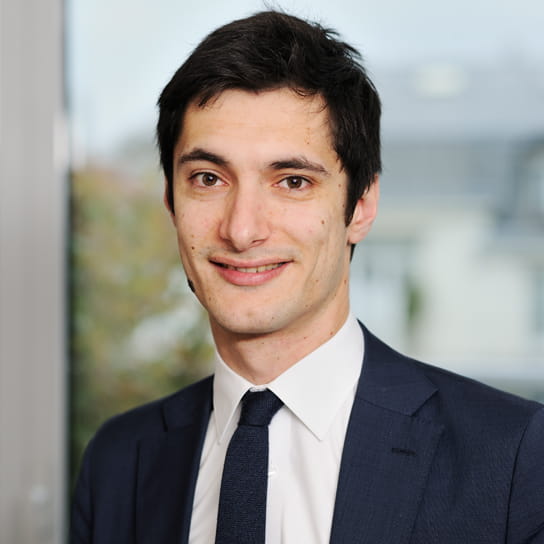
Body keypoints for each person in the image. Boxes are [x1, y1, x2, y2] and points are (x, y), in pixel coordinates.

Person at [71, 10, 544, 544]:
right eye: (208, 178)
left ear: (361, 206)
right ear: (171, 201)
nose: (242, 229)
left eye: (292, 181)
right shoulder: (120, 461)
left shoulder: (513, 459)